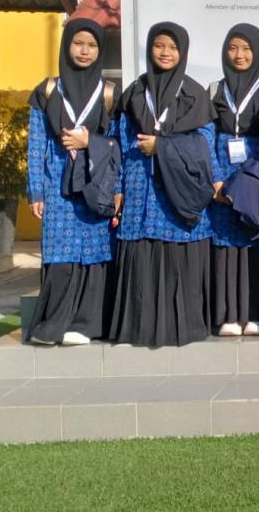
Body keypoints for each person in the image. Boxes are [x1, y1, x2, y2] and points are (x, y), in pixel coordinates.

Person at [109, 22, 217, 347]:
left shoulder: (194, 94)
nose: (165, 52)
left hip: (177, 196)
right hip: (139, 189)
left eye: (172, 47)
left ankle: (182, 328)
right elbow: (118, 143)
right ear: (149, 49)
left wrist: (163, 147)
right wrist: (117, 187)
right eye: (159, 46)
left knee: (176, 260)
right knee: (142, 257)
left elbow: (205, 146)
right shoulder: (135, 92)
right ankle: (138, 329)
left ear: (182, 52)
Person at [25, 18, 119, 345]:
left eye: (92, 45)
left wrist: (89, 142)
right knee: (59, 253)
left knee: (95, 252)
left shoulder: (109, 93)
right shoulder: (48, 90)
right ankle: (52, 326)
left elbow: (119, 145)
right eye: (78, 43)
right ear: (66, 46)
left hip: (95, 183)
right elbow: (35, 144)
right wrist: (36, 190)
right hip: (57, 184)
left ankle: (84, 325)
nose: (84, 51)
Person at [208, 24, 259, 337]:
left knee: (256, 241)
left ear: (258, 52)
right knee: (225, 243)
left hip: (257, 173)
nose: (240, 55)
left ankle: (257, 314)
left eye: (247, 49)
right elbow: (205, 135)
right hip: (222, 174)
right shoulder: (214, 90)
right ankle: (229, 315)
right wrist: (215, 178)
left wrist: (255, 175)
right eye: (233, 48)